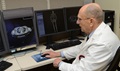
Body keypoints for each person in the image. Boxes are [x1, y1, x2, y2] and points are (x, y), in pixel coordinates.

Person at [42, 3, 120, 71]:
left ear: (91, 21)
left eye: (80, 19)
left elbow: (81, 70)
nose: (77, 22)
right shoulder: (101, 31)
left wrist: (60, 64)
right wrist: (59, 53)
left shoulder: (101, 43)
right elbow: (82, 48)